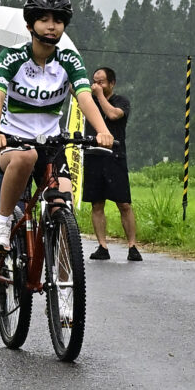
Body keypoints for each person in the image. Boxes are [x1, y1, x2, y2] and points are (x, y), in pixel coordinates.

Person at [0, 0, 115, 254]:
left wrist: (103, 131)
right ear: (30, 26)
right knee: (26, 156)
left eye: (58, 20)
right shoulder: (11, 57)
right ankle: (3, 222)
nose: (51, 26)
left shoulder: (69, 60)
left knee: (62, 205)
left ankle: (63, 272)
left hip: (50, 145)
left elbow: (84, 97)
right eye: (44, 20)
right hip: (11, 142)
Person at [84, 66, 140, 261]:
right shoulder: (88, 101)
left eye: (101, 82)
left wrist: (99, 95)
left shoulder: (121, 101)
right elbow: (74, 89)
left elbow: (113, 115)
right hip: (93, 156)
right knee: (97, 204)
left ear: (112, 83)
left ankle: (132, 246)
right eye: (94, 82)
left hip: (115, 157)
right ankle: (102, 246)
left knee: (124, 204)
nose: (96, 85)